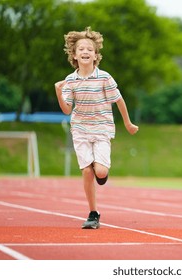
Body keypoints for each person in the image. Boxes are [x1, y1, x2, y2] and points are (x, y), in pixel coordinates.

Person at [55, 27, 139, 229]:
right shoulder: (70, 81)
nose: (85, 51)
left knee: (100, 172)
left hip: (102, 129)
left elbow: (119, 101)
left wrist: (128, 123)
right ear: (74, 55)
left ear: (95, 55)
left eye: (89, 49)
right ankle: (93, 213)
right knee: (86, 172)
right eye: (81, 49)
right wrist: (59, 92)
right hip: (80, 130)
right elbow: (67, 110)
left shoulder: (104, 78)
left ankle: (99, 171)